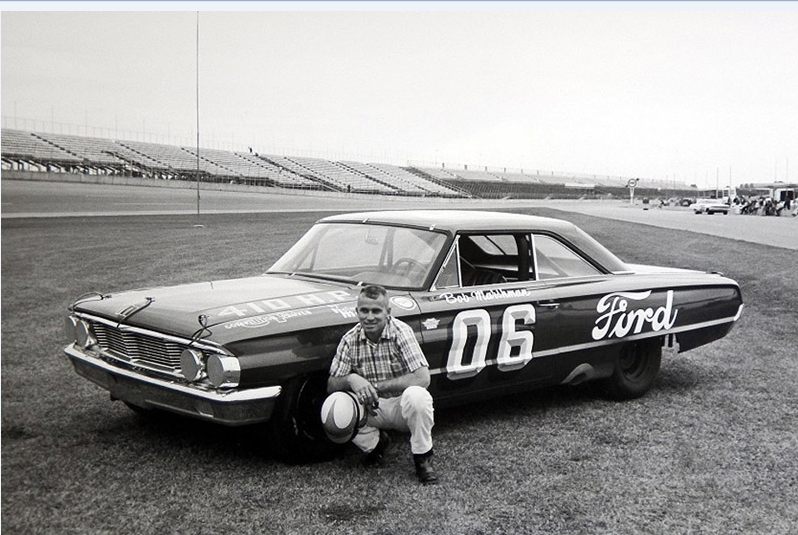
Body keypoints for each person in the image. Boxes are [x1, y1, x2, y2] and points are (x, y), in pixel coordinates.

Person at [327, 284, 438, 484]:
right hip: (372, 409)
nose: (369, 317)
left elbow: (423, 378)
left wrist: (375, 387)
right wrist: (352, 379)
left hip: (400, 407)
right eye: (364, 310)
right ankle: (375, 444)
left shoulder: (401, 331)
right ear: (357, 311)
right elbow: (331, 385)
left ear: (388, 312)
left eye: (376, 311)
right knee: (336, 403)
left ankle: (423, 457)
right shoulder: (349, 339)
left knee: (418, 396)